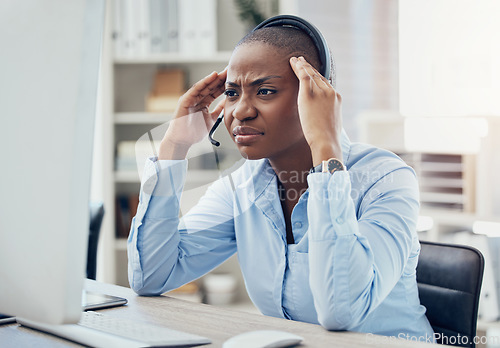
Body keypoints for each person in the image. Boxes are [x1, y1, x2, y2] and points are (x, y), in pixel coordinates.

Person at [128, 15, 434, 340]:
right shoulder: (242, 187)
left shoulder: (385, 179)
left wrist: (325, 146)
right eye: (231, 94)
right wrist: (174, 145)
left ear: (315, 96)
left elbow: (341, 310)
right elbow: (150, 277)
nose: (240, 111)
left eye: (266, 91)